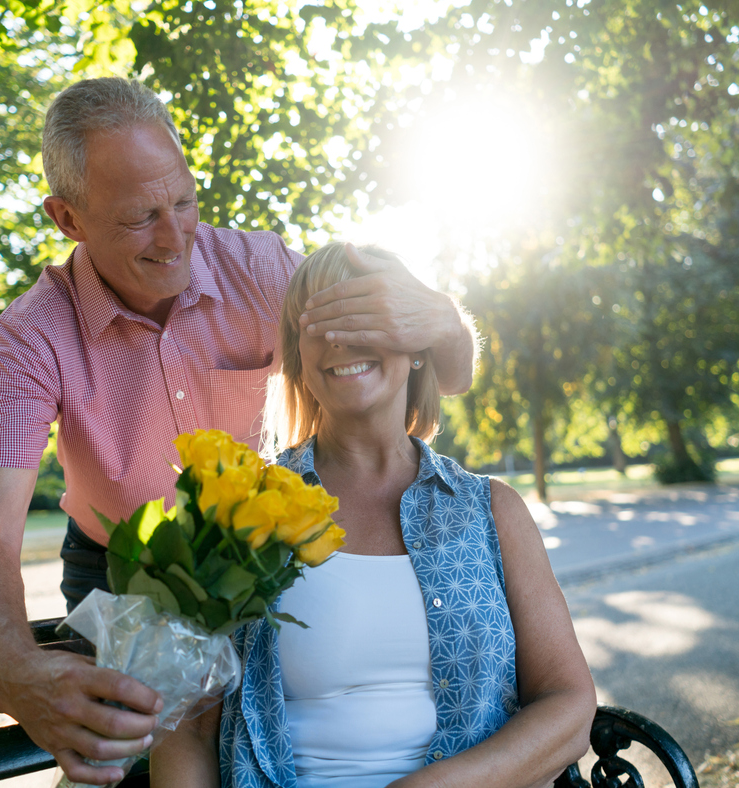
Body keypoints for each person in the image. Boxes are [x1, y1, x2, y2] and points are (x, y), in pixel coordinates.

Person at [0, 78, 478, 787]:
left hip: (251, 554)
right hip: (121, 572)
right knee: (118, 765)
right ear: (67, 218)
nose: (175, 239)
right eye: (139, 218)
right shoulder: (31, 336)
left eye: (184, 202)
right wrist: (11, 671)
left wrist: (440, 320)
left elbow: (442, 372)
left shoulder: (259, 270)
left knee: (259, 748)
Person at [150, 243, 596, 788]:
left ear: (416, 348)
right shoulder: (237, 509)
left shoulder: (492, 510)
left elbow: (569, 704)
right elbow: (188, 731)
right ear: (298, 358)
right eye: (319, 321)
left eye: (367, 315)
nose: (340, 337)